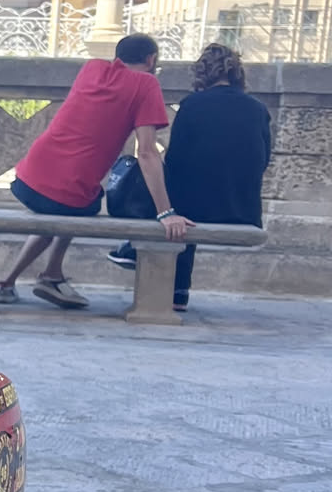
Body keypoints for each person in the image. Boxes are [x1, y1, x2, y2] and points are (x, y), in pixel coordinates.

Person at [0, 32, 190, 309]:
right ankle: (49, 275)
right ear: (152, 59)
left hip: (27, 177)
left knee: (66, 207)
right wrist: (166, 213)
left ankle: (14, 280)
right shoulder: (146, 84)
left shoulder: (92, 68)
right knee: (79, 202)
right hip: (67, 190)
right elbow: (146, 152)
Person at [108, 42, 270, 312]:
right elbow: (263, 159)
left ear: (201, 74)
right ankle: (174, 288)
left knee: (169, 193)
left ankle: (170, 286)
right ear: (238, 74)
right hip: (243, 210)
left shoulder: (191, 105)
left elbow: (175, 160)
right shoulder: (258, 108)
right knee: (190, 197)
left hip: (194, 210)